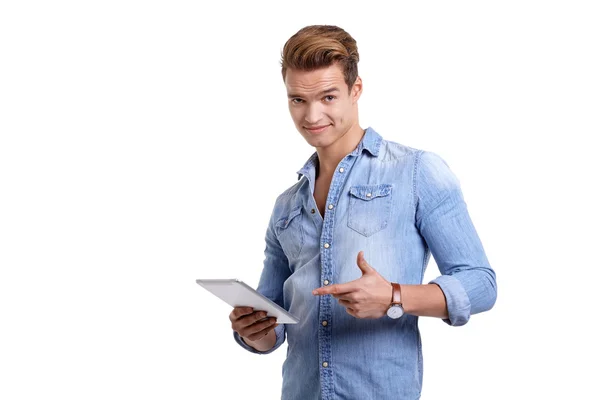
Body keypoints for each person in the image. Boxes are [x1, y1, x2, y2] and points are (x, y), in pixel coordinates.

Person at [228, 24, 497, 400]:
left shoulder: (417, 172)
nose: (312, 115)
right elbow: (274, 325)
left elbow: (481, 284)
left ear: (356, 90)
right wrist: (254, 332)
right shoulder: (286, 205)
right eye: (297, 100)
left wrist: (394, 296)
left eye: (328, 97)